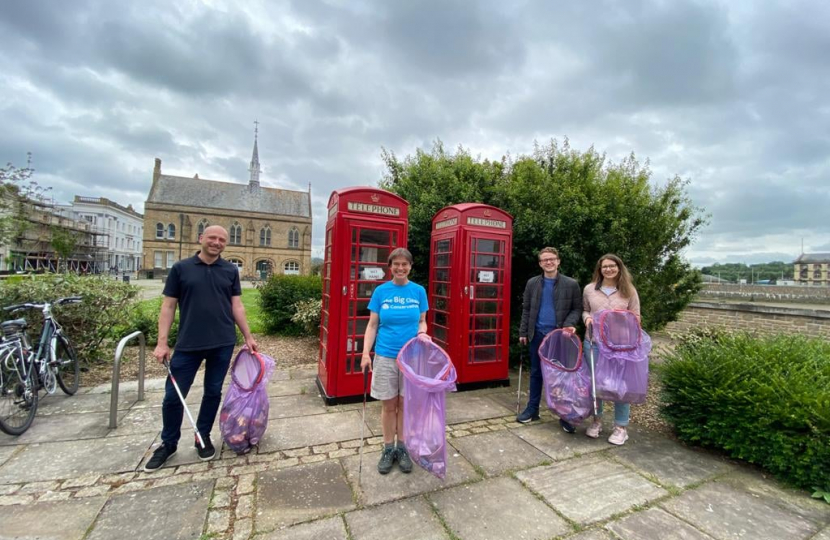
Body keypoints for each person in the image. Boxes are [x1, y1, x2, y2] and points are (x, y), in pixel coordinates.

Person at [145, 225, 258, 471]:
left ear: (225, 244)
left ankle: (202, 435)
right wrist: (162, 342)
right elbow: (168, 307)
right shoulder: (181, 269)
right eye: (212, 238)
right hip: (188, 343)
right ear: (201, 239)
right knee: (173, 397)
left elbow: (236, 305)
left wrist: (248, 336)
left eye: (222, 239)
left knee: (212, 392)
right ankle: (168, 443)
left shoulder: (230, 270)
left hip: (223, 342)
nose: (217, 242)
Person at [360, 247, 430, 475]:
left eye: (404, 264)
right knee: (389, 405)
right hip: (385, 355)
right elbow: (372, 325)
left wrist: (422, 333)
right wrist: (364, 354)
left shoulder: (418, 291)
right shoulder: (381, 292)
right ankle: (388, 448)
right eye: (396, 264)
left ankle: (403, 448)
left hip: (411, 356)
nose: (400, 268)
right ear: (389, 267)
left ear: (410, 266)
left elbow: (422, 321)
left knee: (405, 405)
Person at [517, 247, 583, 432]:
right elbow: (527, 309)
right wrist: (523, 332)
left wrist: (569, 324)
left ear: (558, 261)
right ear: (540, 263)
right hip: (537, 334)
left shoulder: (571, 284)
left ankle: (565, 415)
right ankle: (532, 409)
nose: (549, 262)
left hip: (560, 336)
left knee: (562, 376)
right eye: (545, 260)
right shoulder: (532, 283)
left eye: (552, 259)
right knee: (537, 373)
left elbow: (577, 308)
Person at [582, 253, 641, 446]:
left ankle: (621, 427)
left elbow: (637, 317)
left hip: (620, 346)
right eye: (604, 266)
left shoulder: (629, 290)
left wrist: (623, 317)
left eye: (612, 266)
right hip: (594, 343)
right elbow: (584, 309)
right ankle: (597, 420)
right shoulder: (590, 289)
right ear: (599, 269)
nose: (608, 269)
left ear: (619, 268)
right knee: (595, 384)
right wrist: (586, 318)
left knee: (619, 386)